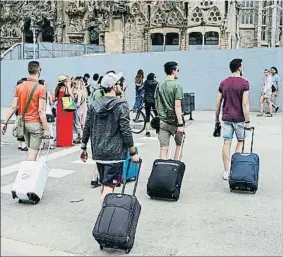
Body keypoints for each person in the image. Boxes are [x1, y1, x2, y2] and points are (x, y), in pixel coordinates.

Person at [80, 72, 139, 204]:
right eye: (118, 83)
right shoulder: (121, 105)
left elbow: (87, 127)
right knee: (108, 187)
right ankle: (105, 218)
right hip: (114, 153)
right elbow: (126, 130)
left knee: (104, 184)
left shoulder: (94, 105)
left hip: (99, 152)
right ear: (113, 87)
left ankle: (105, 214)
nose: (120, 85)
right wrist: (132, 152)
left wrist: (83, 147)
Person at [1, 61, 50, 161]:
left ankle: (28, 173)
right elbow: (41, 111)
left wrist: (4, 122)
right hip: (35, 123)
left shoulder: (20, 87)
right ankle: (29, 174)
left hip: (23, 124)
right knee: (32, 155)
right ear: (39, 71)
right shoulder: (41, 88)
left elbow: (13, 107)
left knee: (30, 151)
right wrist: (46, 129)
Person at [215, 59, 250, 180]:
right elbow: (245, 104)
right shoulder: (244, 83)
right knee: (240, 141)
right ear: (239, 68)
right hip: (239, 118)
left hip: (226, 117)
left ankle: (226, 171)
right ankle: (234, 169)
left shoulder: (224, 82)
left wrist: (216, 118)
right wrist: (248, 120)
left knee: (226, 143)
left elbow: (218, 102)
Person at [155, 61, 185, 160]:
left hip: (162, 121)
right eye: (178, 70)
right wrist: (180, 124)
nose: (178, 72)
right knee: (179, 145)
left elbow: (156, 103)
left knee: (163, 149)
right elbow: (177, 106)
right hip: (175, 122)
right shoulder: (177, 85)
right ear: (173, 71)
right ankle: (175, 168)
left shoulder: (160, 85)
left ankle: (162, 172)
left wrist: (160, 114)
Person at [53, 75, 75, 147]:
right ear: (64, 81)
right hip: (67, 108)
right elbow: (72, 98)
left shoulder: (56, 88)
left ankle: (60, 142)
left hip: (59, 108)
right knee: (68, 125)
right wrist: (69, 88)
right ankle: (68, 141)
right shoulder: (66, 88)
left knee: (60, 125)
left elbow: (53, 99)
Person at [39, 79, 55, 149]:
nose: (46, 85)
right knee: (50, 128)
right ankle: (51, 144)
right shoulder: (48, 93)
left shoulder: (37, 93)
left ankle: (41, 144)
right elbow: (51, 103)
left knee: (41, 129)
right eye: (45, 84)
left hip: (41, 113)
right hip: (48, 112)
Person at [14, 78, 28, 151]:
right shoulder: (22, 92)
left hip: (19, 112)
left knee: (20, 128)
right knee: (22, 129)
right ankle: (23, 144)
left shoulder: (18, 92)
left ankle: (20, 144)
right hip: (22, 112)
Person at [72, 79, 88, 144]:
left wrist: (73, 106)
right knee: (82, 124)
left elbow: (78, 103)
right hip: (83, 109)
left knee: (77, 124)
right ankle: (81, 137)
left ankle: (80, 137)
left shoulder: (79, 92)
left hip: (78, 109)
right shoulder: (84, 92)